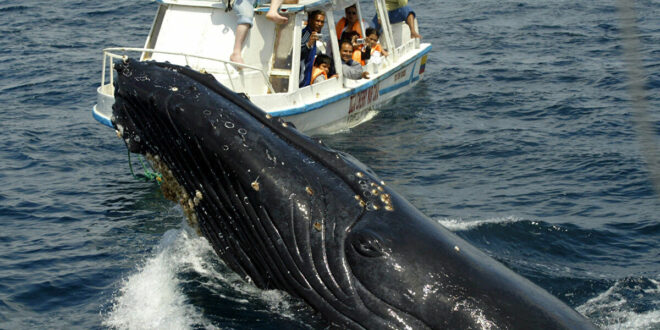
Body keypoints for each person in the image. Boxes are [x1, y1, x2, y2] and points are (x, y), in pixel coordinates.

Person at [300, 10, 326, 87]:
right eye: (317, 21)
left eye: (322, 22)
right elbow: (297, 54)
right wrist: (308, 44)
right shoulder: (306, 34)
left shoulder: (313, 34)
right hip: (302, 80)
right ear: (310, 20)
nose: (320, 24)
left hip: (307, 78)